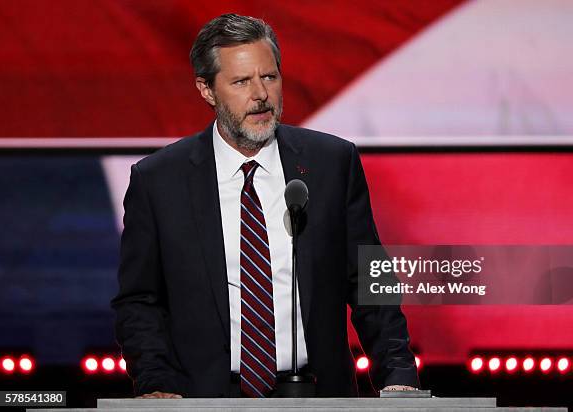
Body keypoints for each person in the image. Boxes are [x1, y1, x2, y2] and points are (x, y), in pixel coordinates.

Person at [111, 13, 419, 398]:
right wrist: (156, 383)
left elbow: (370, 280)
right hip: (203, 399)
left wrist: (398, 376)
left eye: (269, 77)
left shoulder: (330, 164)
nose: (260, 95)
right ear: (207, 89)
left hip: (317, 395)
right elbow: (140, 300)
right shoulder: (159, 181)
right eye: (241, 81)